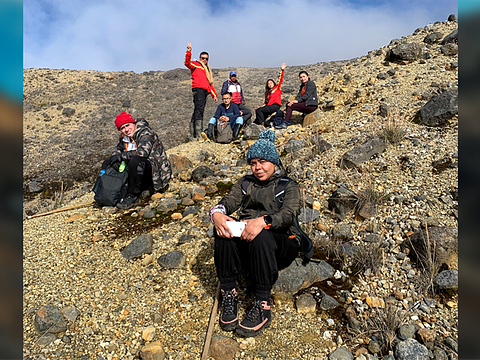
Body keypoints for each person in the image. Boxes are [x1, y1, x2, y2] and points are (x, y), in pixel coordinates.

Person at [209, 129, 301, 337]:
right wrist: (217, 214)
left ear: (274, 162)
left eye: (263, 162)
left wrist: (263, 221)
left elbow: (288, 214)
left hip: (281, 242)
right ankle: (229, 291)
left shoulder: (288, 186)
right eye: (253, 163)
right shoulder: (245, 183)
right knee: (223, 229)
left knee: (261, 234)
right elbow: (228, 202)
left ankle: (262, 302)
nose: (258, 167)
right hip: (250, 240)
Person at [103, 112, 172, 209]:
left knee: (135, 161)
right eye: (122, 128)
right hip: (138, 171)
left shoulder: (145, 133)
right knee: (108, 162)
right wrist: (115, 158)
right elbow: (117, 151)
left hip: (155, 172)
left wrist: (121, 157)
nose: (126, 130)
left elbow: (142, 153)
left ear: (133, 123)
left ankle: (133, 195)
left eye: (127, 125)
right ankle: (109, 191)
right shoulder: (124, 138)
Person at [184, 42, 217, 140]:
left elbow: (209, 83)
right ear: (199, 58)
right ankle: (198, 134)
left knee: (198, 110)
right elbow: (187, 63)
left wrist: (214, 94)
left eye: (206, 58)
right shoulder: (196, 64)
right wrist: (189, 51)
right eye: (203, 58)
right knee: (199, 110)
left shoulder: (207, 69)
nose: (204, 60)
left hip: (205, 91)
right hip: (198, 89)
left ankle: (194, 133)